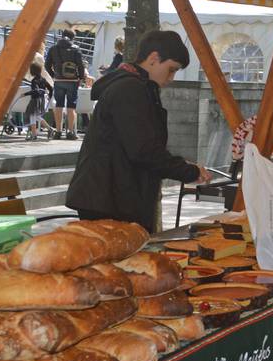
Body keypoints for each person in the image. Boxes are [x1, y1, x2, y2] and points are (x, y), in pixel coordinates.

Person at [66, 30, 212, 233]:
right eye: (171, 69)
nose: (171, 78)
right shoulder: (130, 89)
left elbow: (142, 145)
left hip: (113, 195)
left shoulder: (136, 86)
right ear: (153, 58)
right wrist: (187, 171)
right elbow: (144, 150)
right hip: (109, 199)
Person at [46, 29, 85, 141]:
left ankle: (58, 131)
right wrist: (80, 78)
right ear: (73, 38)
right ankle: (70, 132)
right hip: (72, 81)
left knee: (59, 105)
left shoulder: (54, 48)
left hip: (58, 80)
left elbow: (47, 65)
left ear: (62, 36)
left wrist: (54, 75)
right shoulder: (76, 49)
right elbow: (81, 66)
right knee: (71, 106)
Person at [24, 63, 53, 141]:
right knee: (36, 116)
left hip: (35, 101)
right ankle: (49, 129)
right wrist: (49, 95)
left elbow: (35, 91)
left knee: (32, 116)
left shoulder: (34, 81)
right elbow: (50, 88)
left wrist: (24, 94)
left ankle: (34, 135)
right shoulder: (43, 79)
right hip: (41, 100)